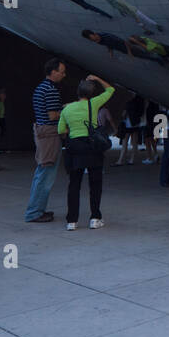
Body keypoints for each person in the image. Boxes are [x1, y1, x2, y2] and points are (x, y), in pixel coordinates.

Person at [57, 74, 115, 230]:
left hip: (74, 149)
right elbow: (110, 89)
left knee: (74, 185)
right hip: (92, 148)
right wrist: (97, 78)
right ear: (91, 94)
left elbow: (61, 130)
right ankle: (95, 218)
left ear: (77, 93)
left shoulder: (67, 109)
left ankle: (72, 221)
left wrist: (72, 129)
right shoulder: (93, 104)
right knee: (95, 184)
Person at [24, 58, 67, 223]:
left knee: (42, 173)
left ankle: (37, 210)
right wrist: (66, 109)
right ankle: (34, 212)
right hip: (49, 135)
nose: (64, 75)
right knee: (46, 175)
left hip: (43, 133)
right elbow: (52, 115)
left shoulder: (42, 87)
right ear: (53, 72)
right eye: (62, 72)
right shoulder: (50, 90)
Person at [115, 94, 152, 165]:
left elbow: (123, 114)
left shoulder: (129, 103)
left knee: (124, 143)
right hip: (136, 125)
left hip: (127, 125)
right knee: (134, 143)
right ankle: (132, 160)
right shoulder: (141, 104)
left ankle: (120, 160)